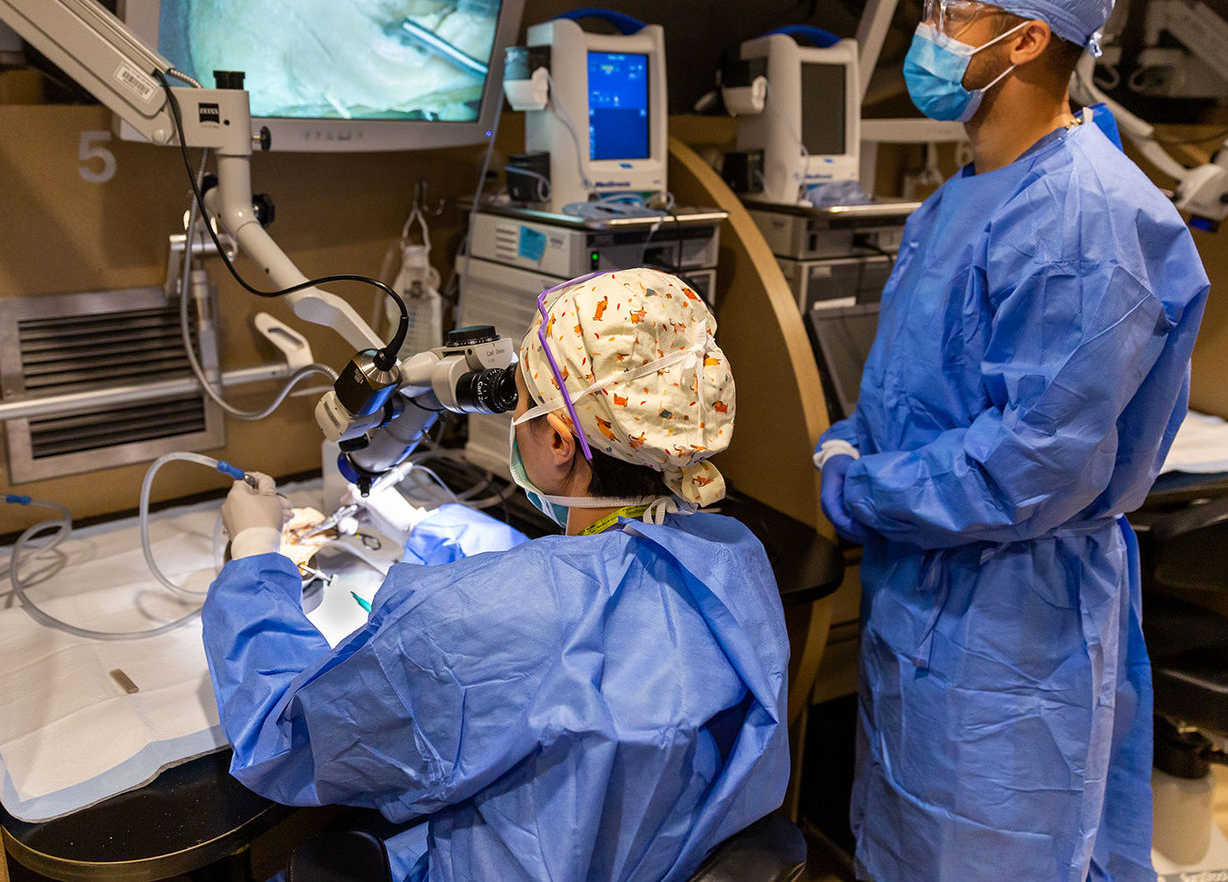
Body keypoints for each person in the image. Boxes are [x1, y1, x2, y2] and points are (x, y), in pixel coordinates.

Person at [814, 0, 1210, 882]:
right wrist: (850, 441)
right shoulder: (966, 193)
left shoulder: (1083, 218)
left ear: (1026, 38)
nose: (926, 35)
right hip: (935, 600)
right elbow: (912, 381)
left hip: (1010, 628)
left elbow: (1032, 460)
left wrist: (859, 490)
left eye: (947, 13)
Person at [203, 268, 790, 882]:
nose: (512, 415)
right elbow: (613, 602)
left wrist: (253, 553)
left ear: (561, 442)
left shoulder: (463, 623)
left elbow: (287, 736)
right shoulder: (734, 558)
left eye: (520, 403)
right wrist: (439, 530)